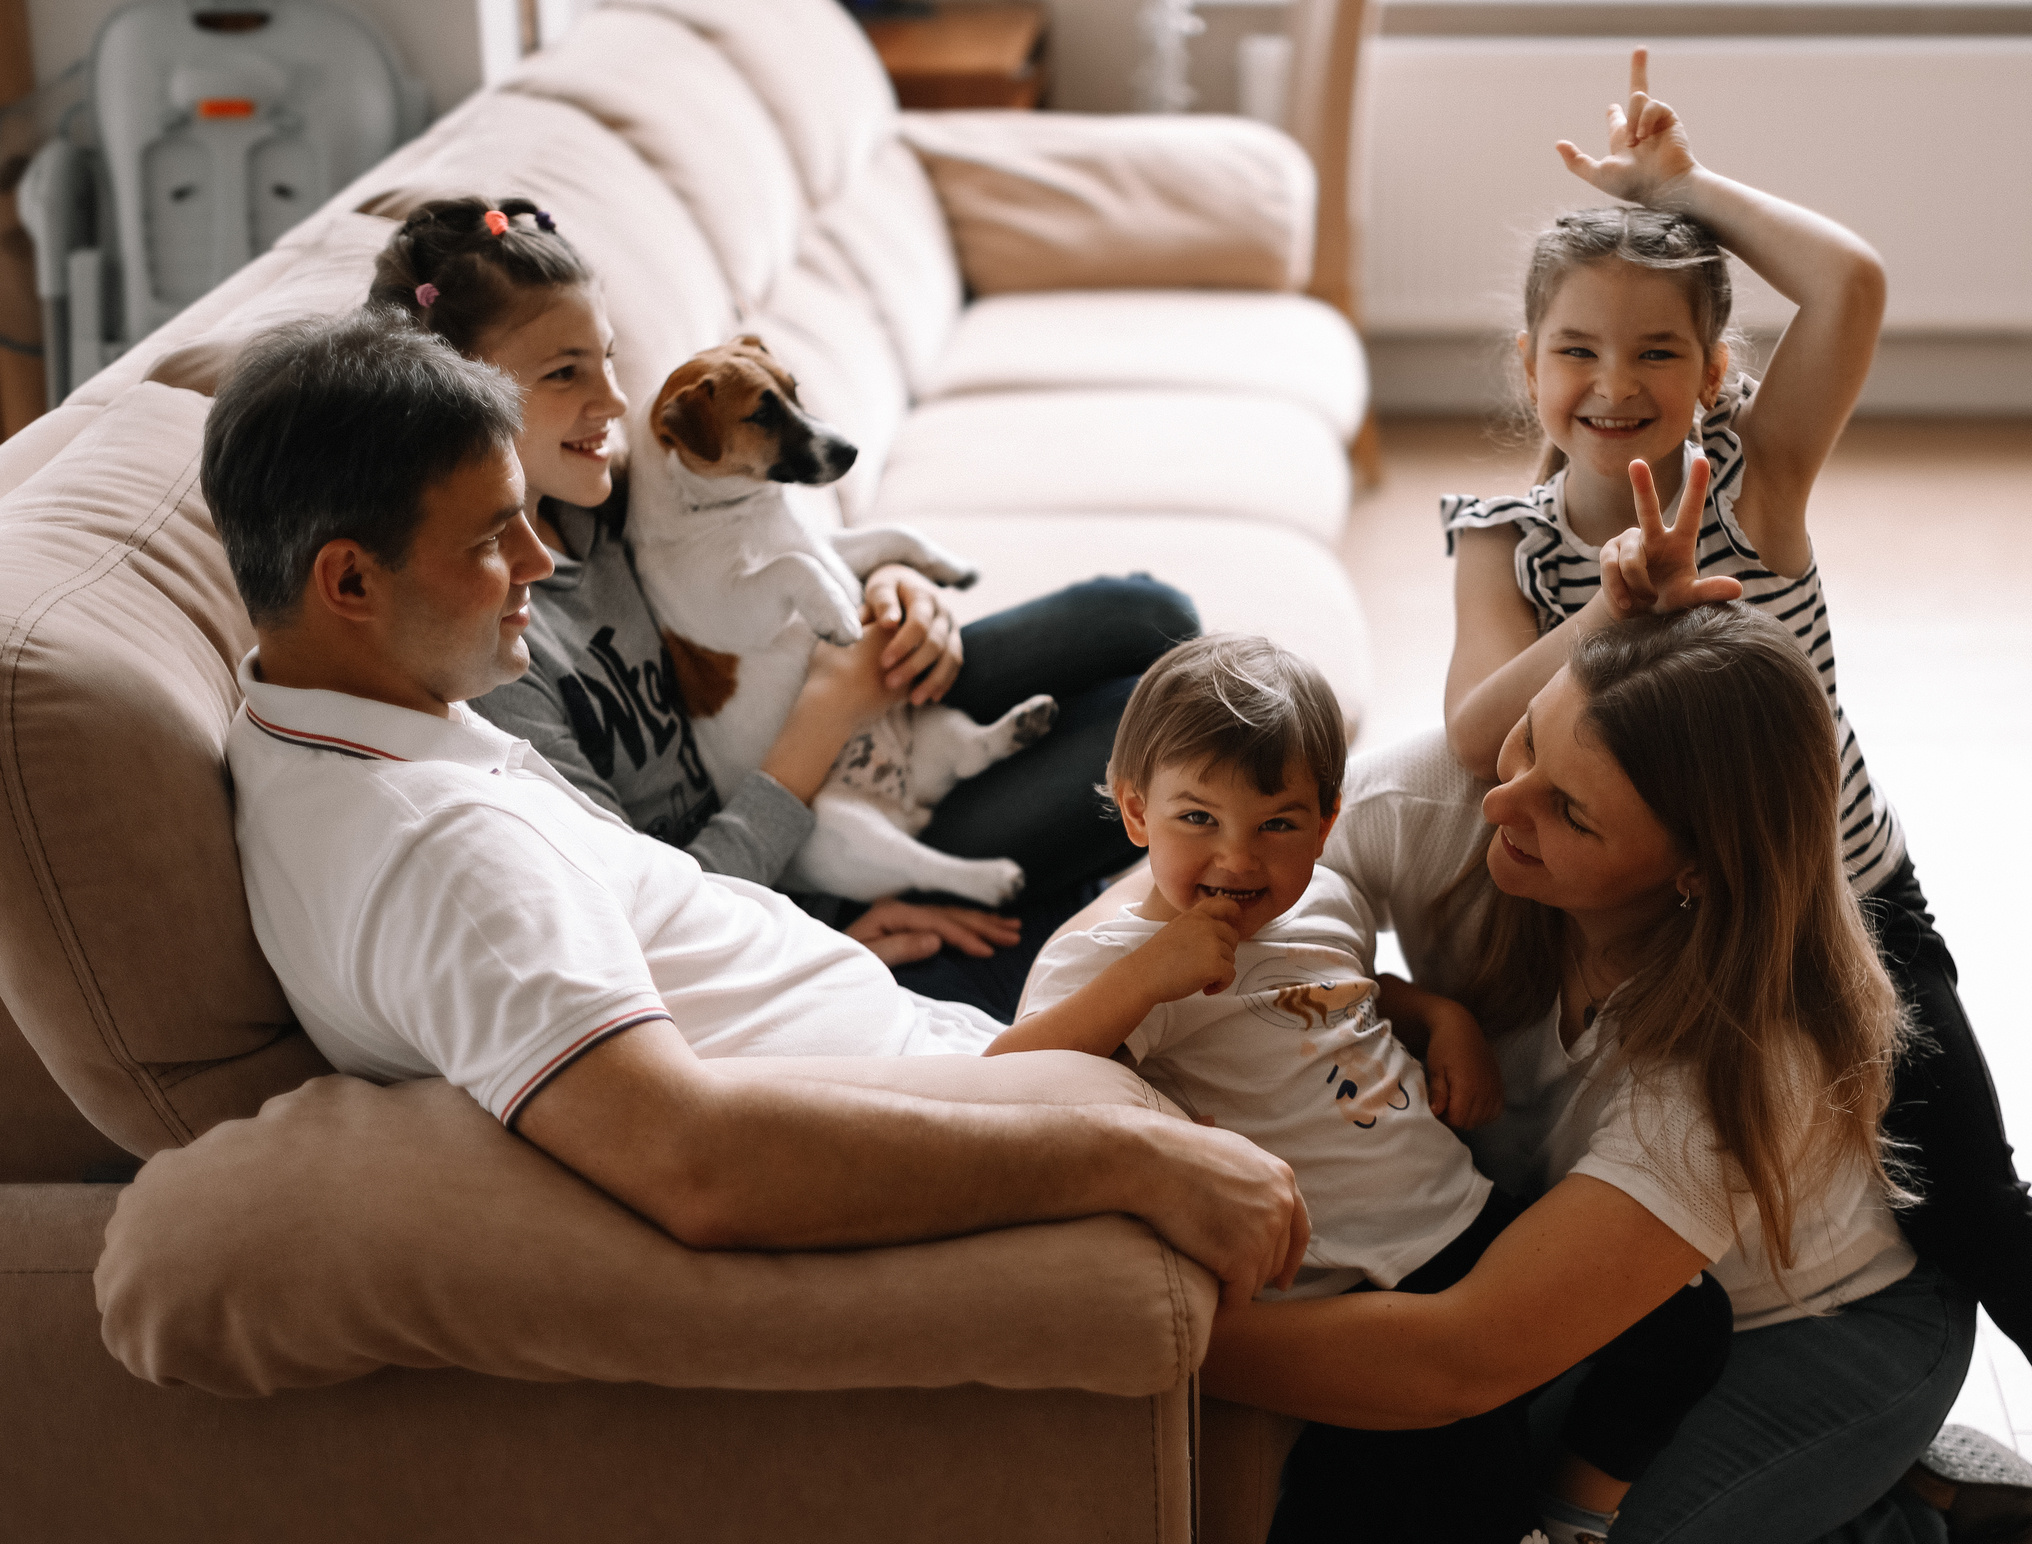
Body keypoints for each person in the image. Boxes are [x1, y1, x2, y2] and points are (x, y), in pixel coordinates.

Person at [1438, 53, 2032, 1544]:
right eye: (1577, 351)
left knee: (1964, 1190)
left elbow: (1853, 282)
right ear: (1527, 368)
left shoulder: (1759, 480)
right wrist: (1607, 607)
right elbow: (1474, 731)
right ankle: (1884, 1454)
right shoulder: (1503, 542)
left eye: (1658, 351)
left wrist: (1681, 193)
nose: (1615, 384)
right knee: (1721, 1231)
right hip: (1656, 937)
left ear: (1717, 370)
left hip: (1844, 906)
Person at [202, 309, 1306, 1316]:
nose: (541, 560)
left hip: (920, 1034)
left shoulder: (338, 722)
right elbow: (694, 1163)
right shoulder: (441, 857)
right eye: (495, 538)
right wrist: (1127, 1156)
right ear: (349, 584)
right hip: (967, 1095)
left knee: (1296, 937)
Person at [1207, 604, 2018, 1544]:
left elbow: (1459, 1356)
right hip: (1611, 1298)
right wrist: (1410, 1000)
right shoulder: (1458, 802)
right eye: (1529, 738)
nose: (1500, 800)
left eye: (1568, 814)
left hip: (1828, 1332)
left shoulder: (1746, 1059)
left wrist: (1149, 1332)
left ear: (1693, 870)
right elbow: (1209, 891)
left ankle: (1896, 1528)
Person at [992, 633, 1733, 1544]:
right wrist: (1144, 983)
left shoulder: (1322, 900)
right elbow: (1004, 1086)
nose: (1239, 862)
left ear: (1326, 822)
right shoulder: (1108, 964)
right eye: (1197, 820)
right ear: (1134, 809)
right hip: (1363, 1283)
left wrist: (1441, 1018)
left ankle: (1572, 1522)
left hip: (1465, 1215)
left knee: (1686, 1316)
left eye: (1277, 825)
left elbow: (1337, 994)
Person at [367, 196, 1201, 1017]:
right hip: (813, 867)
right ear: (458, 401)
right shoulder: (500, 658)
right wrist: (831, 915)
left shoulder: (602, 502)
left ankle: (1074, 901)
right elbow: (649, 913)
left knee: (1145, 614)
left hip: (859, 701)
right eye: (564, 372)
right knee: (1171, 739)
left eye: (607, 358)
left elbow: (769, 541)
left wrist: (888, 588)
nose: (617, 402)